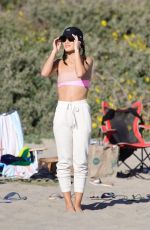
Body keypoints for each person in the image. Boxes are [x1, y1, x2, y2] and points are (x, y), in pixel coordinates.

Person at [41, 26, 93, 212]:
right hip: (62, 109)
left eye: (71, 39)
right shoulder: (58, 63)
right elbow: (44, 73)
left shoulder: (87, 60)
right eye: (64, 39)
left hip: (81, 109)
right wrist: (54, 50)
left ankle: (78, 203)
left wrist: (77, 51)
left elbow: (80, 73)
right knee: (64, 161)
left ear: (79, 41)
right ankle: (68, 203)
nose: (66, 42)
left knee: (80, 160)